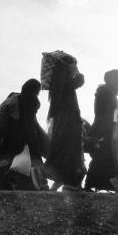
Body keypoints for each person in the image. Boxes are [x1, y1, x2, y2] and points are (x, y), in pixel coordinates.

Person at [0, 79, 47, 190]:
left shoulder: (12, 101)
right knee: (26, 165)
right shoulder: (29, 102)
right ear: (34, 91)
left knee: (9, 165)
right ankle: (38, 186)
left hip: (8, 140)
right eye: (38, 92)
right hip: (20, 140)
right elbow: (29, 126)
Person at [44, 52, 87, 191]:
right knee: (68, 153)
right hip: (69, 124)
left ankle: (65, 184)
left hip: (66, 123)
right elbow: (74, 84)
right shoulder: (64, 85)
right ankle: (69, 184)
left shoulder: (59, 85)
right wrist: (79, 78)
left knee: (65, 153)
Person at [85, 70, 118, 191]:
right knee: (101, 158)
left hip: (106, 130)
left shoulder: (107, 93)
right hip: (104, 131)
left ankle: (96, 185)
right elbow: (108, 116)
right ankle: (89, 185)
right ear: (113, 80)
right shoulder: (107, 94)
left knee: (104, 159)